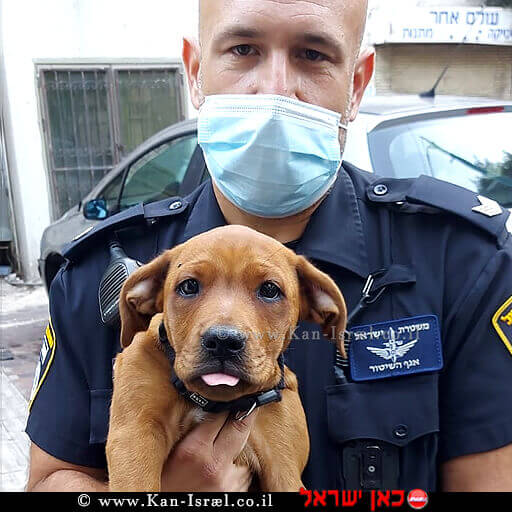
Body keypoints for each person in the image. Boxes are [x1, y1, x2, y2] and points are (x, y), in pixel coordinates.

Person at [26, 0, 512, 492]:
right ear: (195, 72)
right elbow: (50, 481)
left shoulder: (464, 263)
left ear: (357, 84)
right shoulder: (98, 273)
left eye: (312, 54)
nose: (276, 89)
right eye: (243, 49)